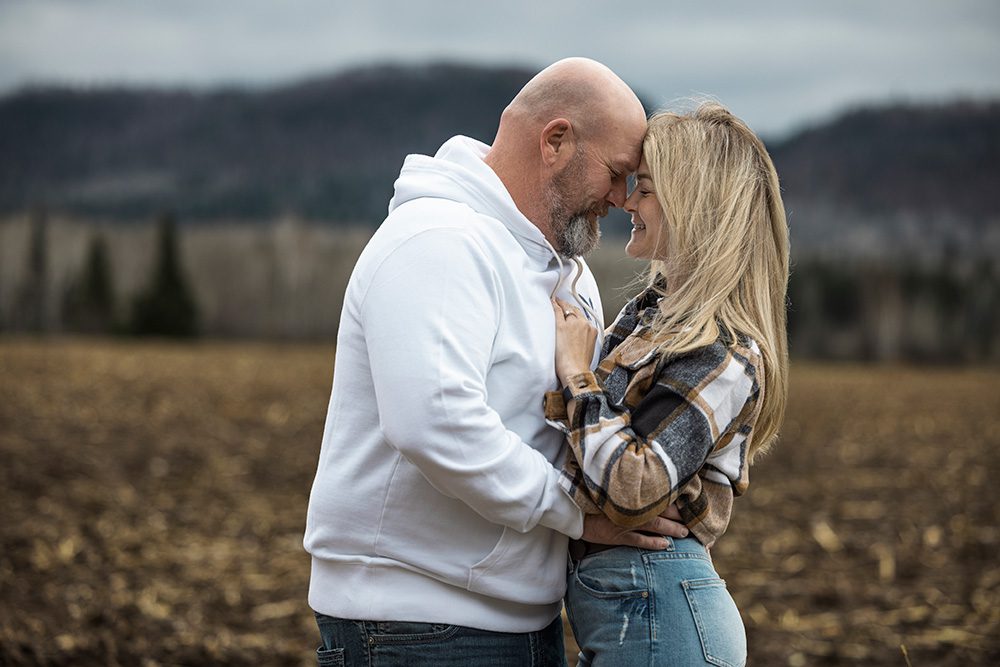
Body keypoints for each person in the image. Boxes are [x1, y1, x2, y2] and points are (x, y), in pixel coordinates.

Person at [302, 58, 687, 666]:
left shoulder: (568, 275)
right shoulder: (436, 241)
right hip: (414, 629)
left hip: (518, 624)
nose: (620, 199)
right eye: (616, 174)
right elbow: (435, 420)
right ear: (556, 141)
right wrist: (577, 515)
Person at [547, 102, 789, 666]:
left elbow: (634, 484)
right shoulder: (646, 318)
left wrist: (578, 375)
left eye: (646, 189)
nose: (627, 201)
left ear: (693, 205)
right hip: (634, 614)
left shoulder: (726, 351)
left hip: (663, 617)